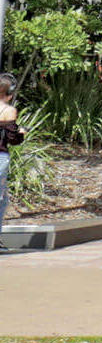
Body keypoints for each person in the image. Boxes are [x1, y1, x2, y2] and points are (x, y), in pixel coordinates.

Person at [0, 74, 22, 240]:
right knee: (1, 198)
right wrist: (20, 133)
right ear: (10, 93)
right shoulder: (9, 111)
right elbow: (13, 139)